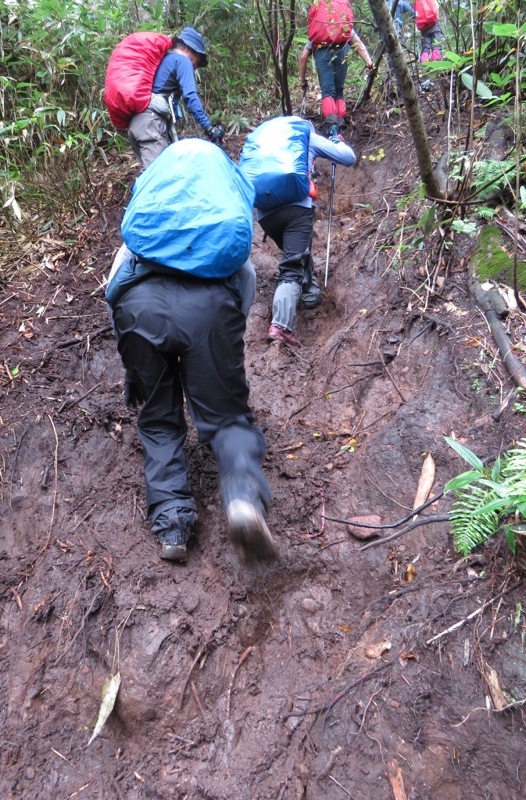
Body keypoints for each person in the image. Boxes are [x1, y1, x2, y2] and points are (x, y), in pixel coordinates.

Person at [108, 139, 277, 564]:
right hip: (210, 310)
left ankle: (172, 524)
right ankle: (241, 500)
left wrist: (134, 367)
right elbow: (246, 281)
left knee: (160, 418)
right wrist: (224, 339)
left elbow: (115, 283)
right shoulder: (225, 202)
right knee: (226, 417)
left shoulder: (151, 199)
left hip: (137, 308)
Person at [248, 120, 356, 347]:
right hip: (298, 209)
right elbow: (348, 157)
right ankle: (281, 326)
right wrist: (337, 141)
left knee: (296, 252)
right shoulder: (307, 136)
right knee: (291, 268)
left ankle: (309, 293)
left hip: (265, 216)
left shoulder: (264, 141)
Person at [128, 26, 225, 169]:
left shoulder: (165, 59)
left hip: (137, 124)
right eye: (196, 59)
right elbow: (190, 97)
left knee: (152, 179)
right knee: (159, 183)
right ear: (187, 48)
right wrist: (208, 128)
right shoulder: (182, 61)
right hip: (151, 125)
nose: (195, 65)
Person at [298, 26, 373, 136]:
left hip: (322, 53)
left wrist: (303, 81)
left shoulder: (317, 27)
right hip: (341, 52)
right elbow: (358, 43)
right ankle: (341, 128)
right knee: (339, 92)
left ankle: (333, 129)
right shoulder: (343, 23)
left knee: (328, 92)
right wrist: (370, 64)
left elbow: (303, 56)